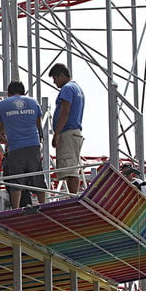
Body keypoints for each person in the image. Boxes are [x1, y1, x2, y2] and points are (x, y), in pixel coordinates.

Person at [0, 81, 47, 209]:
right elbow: (38, 126)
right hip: (33, 144)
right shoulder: (33, 102)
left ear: (9, 93)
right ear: (24, 92)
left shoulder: (2, 105)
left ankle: (16, 208)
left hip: (15, 147)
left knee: (16, 179)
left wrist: (6, 139)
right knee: (37, 176)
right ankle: (43, 205)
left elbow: (1, 131)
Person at [47, 63, 85, 194]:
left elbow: (65, 110)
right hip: (74, 132)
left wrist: (56, 133)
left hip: (68, 132)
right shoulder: (77, 88)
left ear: (61, 75)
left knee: (70, 169)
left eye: (55, 79)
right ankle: (73, 195)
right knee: (71, 167)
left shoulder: (67, 88)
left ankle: (73, 196)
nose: (55, 82)